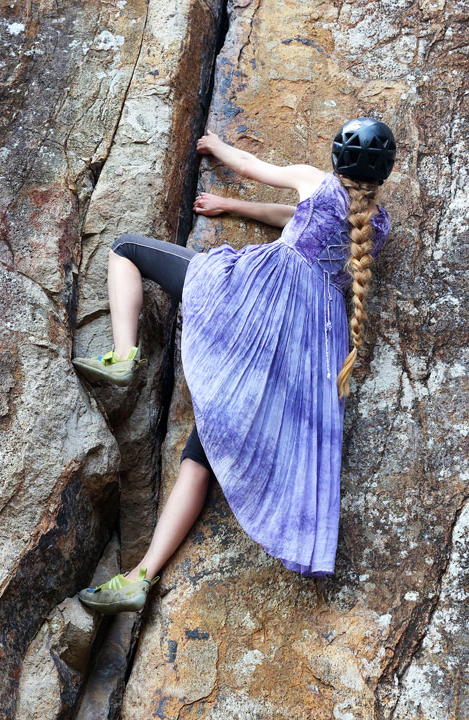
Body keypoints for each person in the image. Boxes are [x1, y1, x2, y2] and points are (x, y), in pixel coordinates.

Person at [74, 117, 396, 614]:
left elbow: (254, 169)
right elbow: (297, 220)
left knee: (127, 250)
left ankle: (123, 355)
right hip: (303, 359)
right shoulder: (377, 226)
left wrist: (218, 146)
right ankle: (141, 577)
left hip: (253, 308)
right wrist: (233, 207)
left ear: (337, 158)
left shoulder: (317, 181)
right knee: (200, 459)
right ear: (384, 173)